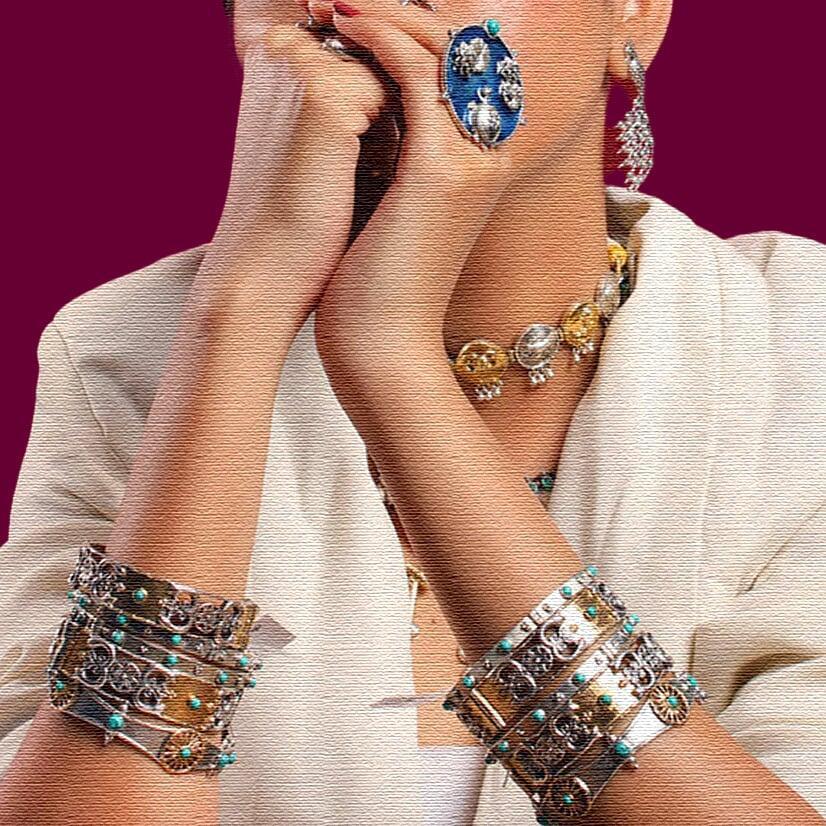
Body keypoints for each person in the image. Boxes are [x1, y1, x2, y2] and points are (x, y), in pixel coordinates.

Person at [0, 0, 824, 823]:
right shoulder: (124, 354)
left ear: (633, 15)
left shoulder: (798, 349)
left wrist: (389, 355)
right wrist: (240, 311)